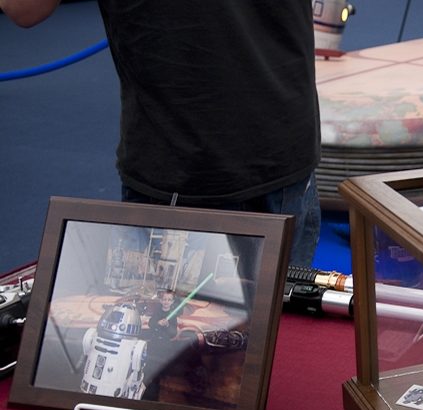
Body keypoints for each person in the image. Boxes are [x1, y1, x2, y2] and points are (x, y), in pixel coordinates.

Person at [0, 1, 321, 266]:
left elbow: (23, 8)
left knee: (178, 323)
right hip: (278, 141)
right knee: (281, 321)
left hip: (193, 164)